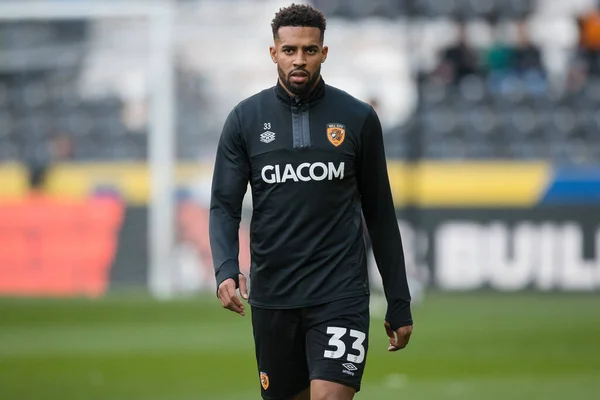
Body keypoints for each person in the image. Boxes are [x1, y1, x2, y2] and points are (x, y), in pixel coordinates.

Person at [209, 4, 412, 400]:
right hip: (274, 295)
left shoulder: (357, 118)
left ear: (324, 52)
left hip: (340, 293)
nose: (299, 59)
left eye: (309, 49)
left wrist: (398, 301)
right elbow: (224, 206)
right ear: (273, 53)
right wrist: (225, 270)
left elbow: (381, 215)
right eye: (289, 50)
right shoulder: (244, 120)